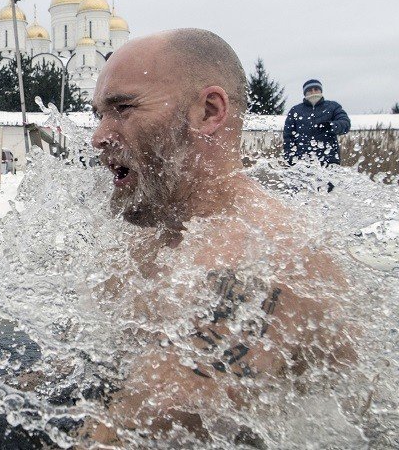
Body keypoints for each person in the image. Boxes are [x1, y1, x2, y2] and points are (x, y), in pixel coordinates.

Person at [88, 29, 353, 443]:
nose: (98, 136)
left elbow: (127, 429)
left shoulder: (267, 255)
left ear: (210, 111)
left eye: (123, 109)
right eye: (98, 115)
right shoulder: (150, 243)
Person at [282, 79, 351, 166]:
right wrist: (290, 158)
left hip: (329, 161)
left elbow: (345, 123)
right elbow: (288, 136)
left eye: (316, 89)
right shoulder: (295, 110)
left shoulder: (333, 107)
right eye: (310, 90)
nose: (313, 92)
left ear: (321, 91)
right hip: (302, 162)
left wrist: (331, 126)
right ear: (305, 93)